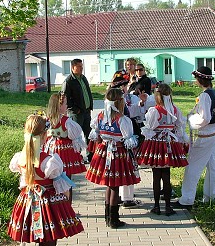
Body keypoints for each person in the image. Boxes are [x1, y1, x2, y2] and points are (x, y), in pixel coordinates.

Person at [8, 114, 84, 246]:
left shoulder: (20, 158)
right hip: (48, 203)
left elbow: (23, 181)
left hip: (28, 201)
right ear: (44, 136)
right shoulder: (50, 160)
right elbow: (61, 186)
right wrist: (66, 205)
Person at [86, 87, 141, 228]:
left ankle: (108, 217)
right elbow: (129, 142)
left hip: (104, 152)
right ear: (120, 102)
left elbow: (95, 136)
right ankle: (114, 219)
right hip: (118, 153)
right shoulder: (123, 120)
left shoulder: (100, 116)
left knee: (109, 185)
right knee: (115, 185)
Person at [174, 66, 215, 209]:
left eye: (196, 79)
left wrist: (190, 119)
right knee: (213, 167)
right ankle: (211, 197)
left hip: (206, 135)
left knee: (193, 167)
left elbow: (204, 118)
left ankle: (187, 199)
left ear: (200, 80)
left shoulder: (204, 96)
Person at [137, 83, 189, 216]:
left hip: (156, 145)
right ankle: (167, 206)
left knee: (156, 176)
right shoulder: (175, 110)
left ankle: (156, 206)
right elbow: (179, 127)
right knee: (166, 175)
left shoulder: (155, 111)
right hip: (169, 145)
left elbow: (149, 129)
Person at [108, 70, 142, 209]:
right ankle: (126, 198)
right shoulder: (120, 103)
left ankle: (120, 199)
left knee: (118, 174)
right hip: (123, 143)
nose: (126, 88)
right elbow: (128, 115)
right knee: (127, 169)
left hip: (112, 147)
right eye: (124, 85)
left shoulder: (109, 104)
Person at [45, 92, 87, 203]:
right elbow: (75, 136)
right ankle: (68, 208)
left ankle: (57, 206)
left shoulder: (47, 120)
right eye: (65, 104)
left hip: (51, 150)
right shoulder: (66, 121)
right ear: (59, 106)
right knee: (66, 180)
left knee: (54, 179)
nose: (67, 106)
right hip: (64, 151)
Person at [61, 59, 93, 160]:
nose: (81, 68)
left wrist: (90, 106)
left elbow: (87, 92)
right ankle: (77, 157)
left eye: (82, 66)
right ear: (73, 67)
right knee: (76, 136)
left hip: (86, 111)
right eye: (79, 66)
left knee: (89, 134)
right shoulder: (68, 81)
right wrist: (75, 109)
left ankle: (90, 156)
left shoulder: (83, 78)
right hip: (76, 113)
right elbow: (65, 98)